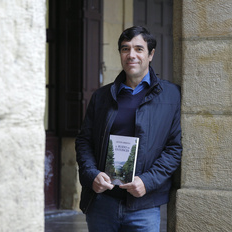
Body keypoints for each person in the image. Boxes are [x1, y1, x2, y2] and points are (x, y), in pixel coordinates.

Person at [75, 26, 182, 232]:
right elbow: (84, 141)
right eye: (125, 49)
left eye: (138, 49)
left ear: (151, 54)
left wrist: (147, 181)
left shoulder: (171, 95)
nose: (131, 55)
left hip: (144, 205)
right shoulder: (101, 97)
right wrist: (91, 175)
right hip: (102, 203)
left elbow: (174, 149)